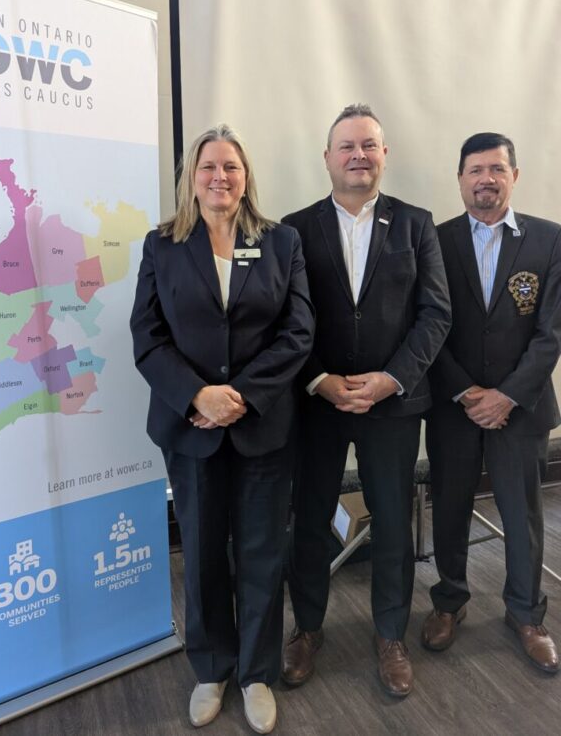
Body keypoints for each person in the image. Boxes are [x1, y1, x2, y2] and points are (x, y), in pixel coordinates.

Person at [130, 124, 314, 734]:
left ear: (246, 175)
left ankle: (257, 673)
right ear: (191, 176)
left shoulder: (281, 241)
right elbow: (147, 335)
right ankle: (211, 668)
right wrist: (197, 395)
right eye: (208, 166)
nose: (219, 177)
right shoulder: (162, 245)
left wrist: (242, 397)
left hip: (262, 425)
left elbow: (298, 331)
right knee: (204, 550)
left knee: (262, 551)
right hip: (190, 426)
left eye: (231, 166)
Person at [281, 104, 451, 697]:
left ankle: (390, 635)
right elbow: (284, 319)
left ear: (384, 155)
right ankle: (306, 629)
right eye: (347, 146)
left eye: (369, 145)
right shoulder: (294, 229)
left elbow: (435, 314)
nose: (358, 155)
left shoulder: (416, 224)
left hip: (393, 404)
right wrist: (318, 379)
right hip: (318, 404)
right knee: (309, 520)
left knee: (394, 523)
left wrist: (391, 379)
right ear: (327, 157)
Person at [422, 132, 561, 673]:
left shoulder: (550, 240)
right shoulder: (434, 241)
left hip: (521, 408)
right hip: (453, 406)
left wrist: (506, 396)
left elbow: (550, 334)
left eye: (497, 169)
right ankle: (449, 601)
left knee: (522, 513)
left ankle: (526, 613)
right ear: (460, 179)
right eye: (475, 170)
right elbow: (428, 327)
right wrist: (465, 391)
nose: (486, 179)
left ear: (514, 177)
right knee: (450, 506)